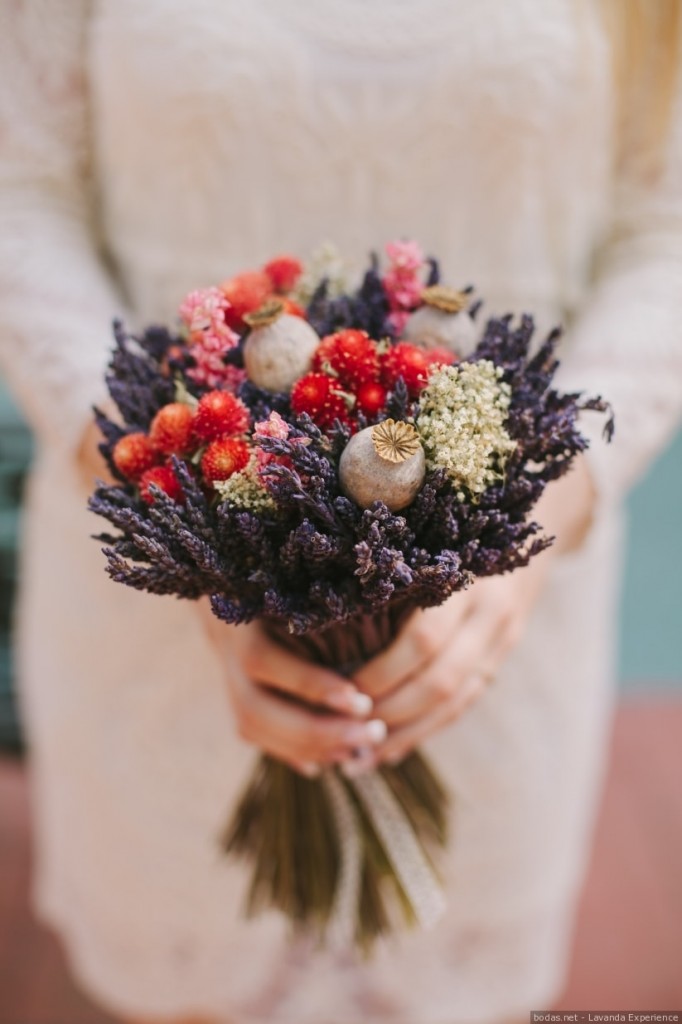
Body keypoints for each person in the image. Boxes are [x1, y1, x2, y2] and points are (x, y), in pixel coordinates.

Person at [1, 2, 681, 1023]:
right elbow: (21, 189)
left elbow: (661, 228)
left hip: (496, 636)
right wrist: (187, 526)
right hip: (153, 639)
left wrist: (547, 505)